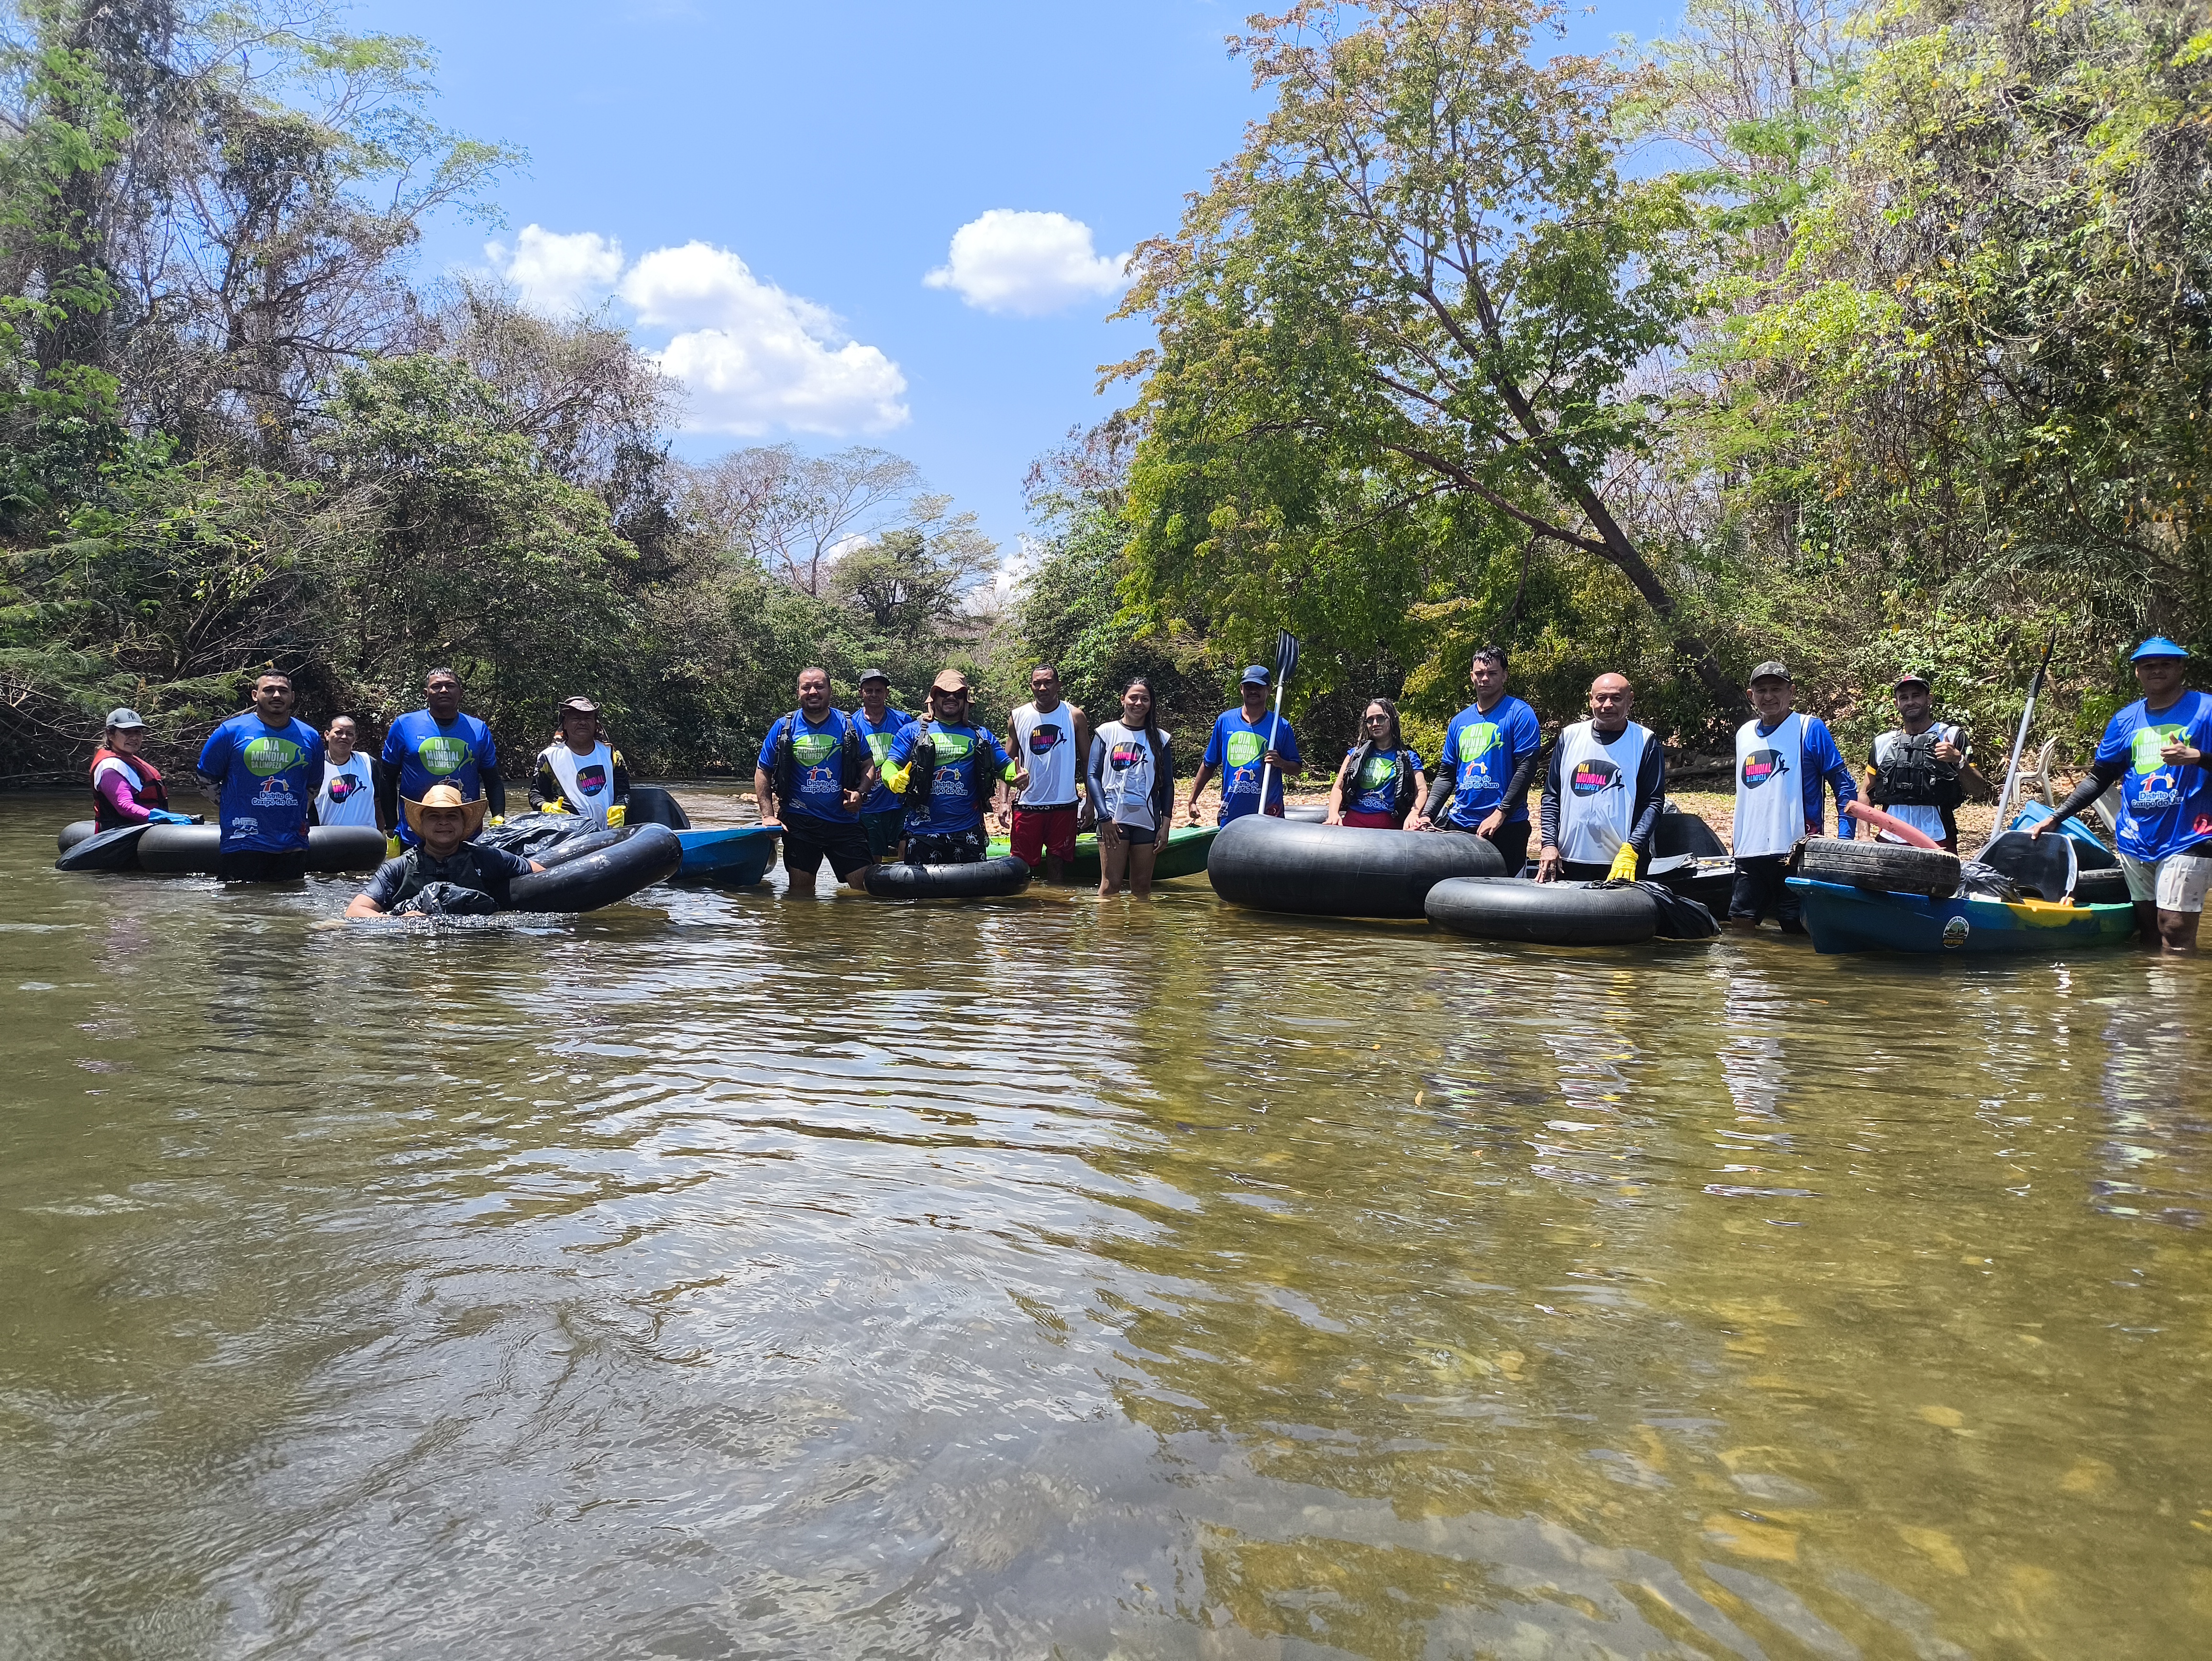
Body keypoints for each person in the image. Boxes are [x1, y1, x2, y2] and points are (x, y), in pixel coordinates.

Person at [2032, 636, 2212, 952]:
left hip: (2190, 835)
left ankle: (2179, 1000)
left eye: (2166, 664)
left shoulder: (2206, 710)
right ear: (2138, 673)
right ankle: (2150, 1000)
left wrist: (2197, 757)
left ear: (2181, 667)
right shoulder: (2125, 720)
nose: (2157, 671)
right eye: (2149, 666)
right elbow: (2100, 778)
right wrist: (2055, 816)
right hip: (2135, 837)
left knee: (2175, 930)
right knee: (2149, 933)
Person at [1728, 660, 1858, 933]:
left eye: (1777, 689)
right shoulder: (1744, 734)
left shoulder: (1809, 728)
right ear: (1751, 696)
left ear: (1792, 692)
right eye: (1761, 690)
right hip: (1749, 850)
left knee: (1794, 928)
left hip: (1796, 850)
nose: (1769, 697)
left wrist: (1844, 840)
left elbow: (1844, 785)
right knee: (1740, 926)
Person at [1414, 646, 1543, 872]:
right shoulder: (1459, 721)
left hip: (1506, 826)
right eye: (1480, 673)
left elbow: (1526, 769)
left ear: (1504, 676)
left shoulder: (1520, 713)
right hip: (1461, 825)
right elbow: (1446, 775)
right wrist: (1427, 814)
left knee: (1505, 899)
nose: (1485, 679)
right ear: (1472, 676)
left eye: (1493, 673)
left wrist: (1501, 813)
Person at [196, 668, 325, 881]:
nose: (277, 696)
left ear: (292, 697)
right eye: (269, 690)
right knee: (241, 909)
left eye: (283, 691)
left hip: (293, 844)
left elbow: (312, 787)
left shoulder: (310, 736)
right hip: (243, 842)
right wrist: (233, 803)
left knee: (289, 911)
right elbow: (204, 780)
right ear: (255, 695)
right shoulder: (230, 731)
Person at [754, 666, 873, 896]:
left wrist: (861, 793)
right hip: (800, 822)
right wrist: (768, 816)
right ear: (798, 692)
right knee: (800, 894)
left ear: (829, 690)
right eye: (806, 687)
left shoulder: (848, 725)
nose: (813, 692)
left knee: (864, 890)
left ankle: (853, 933)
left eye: (819, 686)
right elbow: (763, 771)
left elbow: (869, 765)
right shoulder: (783, 728)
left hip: (845, 822)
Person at [883, 670, 1024, 864]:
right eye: (944, 693)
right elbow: (890, 764)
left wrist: (1016, 776)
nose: (951, 698)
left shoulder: (980, 735)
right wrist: (892, 778)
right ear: (934, 698)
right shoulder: (912, 731)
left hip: (968, 831)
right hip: (923, 831)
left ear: (965, 700)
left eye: (958, 694)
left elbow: (1006, 767)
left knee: (972, 894)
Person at [1536, 673, 1665, 883]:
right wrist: (1549, 844)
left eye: (1616, 698)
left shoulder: (1644, 741)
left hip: (1622, 864)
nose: (1607, 705)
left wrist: (1633, 848)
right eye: (1601, 698)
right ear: (1591, 700)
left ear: (1630, 700)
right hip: (1568, 860)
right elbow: (1552, 795)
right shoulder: (1569, 737)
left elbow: (1653, 803)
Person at [346, 783, 545, 918]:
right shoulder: (397, 868)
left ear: (463, 823)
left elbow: (543, 876)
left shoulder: (487, 858)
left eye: (452, 816)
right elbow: (355, 910)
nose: (443, 823)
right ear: (422, 824)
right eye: (434, 816)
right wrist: (399, 922)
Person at [1863, 672, 1989, 852]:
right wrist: (1864, 835)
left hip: (1938, 837)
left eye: (1916, 695)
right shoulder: (1884, 742)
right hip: (1889, 837)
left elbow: (1978, 790)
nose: (1910, 701)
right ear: (1896, 704)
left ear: (1929, 699)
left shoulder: (1951, 736)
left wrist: (1958, 760)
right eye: (1904, 697)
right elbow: (1865, 792)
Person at [380, 667, 503, 851]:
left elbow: (492, 779)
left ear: (460, 693)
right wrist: (391, 826)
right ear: (426, 694)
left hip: (466, 832)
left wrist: (498, 818)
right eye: (437, 686)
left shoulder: (478, 729)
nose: (444, 691)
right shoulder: (405, 725)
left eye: (450, 686)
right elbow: (387, 778)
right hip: (414, 832)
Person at [1001, 663, 1092, 881]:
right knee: (1021, 866)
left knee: (1057, 864)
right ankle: (1025, 914)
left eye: (1048, 683)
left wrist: (1091, 801)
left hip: (1064, 804)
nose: (1043, 688)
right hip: (1028, 804)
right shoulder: (1018, 717)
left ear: (1058, 685)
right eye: (1037, 683)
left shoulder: (1074, 716)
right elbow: (1006, 763)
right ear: (1031, 687)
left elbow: (1089, 761)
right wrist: (1003, 801)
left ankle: (1058, 912)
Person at [1088, 676, 1175, 897]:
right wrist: (1104, 817)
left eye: (1145, 699)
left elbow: (1167, 785)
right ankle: (1108, 933)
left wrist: (1165, 827)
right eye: (1133, 698)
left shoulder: (1161, 738)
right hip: (1113, 820)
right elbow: (1092, 776)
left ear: (1151, 703)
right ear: (1123, 700)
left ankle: (1140, 932)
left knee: (1143, 889)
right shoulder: (1106, 732)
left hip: (1147, 821)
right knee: (1111, 886)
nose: (1139, 703)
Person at [1186, 665, 1303, 824]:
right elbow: (1209, 764)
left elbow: (1296, 769)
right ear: (1242, 689)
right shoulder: (1225, 721)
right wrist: (1193, 799)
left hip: (1269, 812)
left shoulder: (1280, 726)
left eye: (1259, 687)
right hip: (1233, 810)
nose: (1253, 691)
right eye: (1249, 687)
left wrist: (1281, 763)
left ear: (1268, 690)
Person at [1325, 699, 1429, 828]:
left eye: (1381, 718)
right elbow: (1338, 788)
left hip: (1391, 827)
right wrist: (1333, 814)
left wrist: (1414, 814)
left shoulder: (1409, 757)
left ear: (1392, 719)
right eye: (1370, 720)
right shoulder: (1354, 754)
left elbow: (1422, 790)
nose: (1375, 724)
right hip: (1352, 825)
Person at [531, 696, 630, 829]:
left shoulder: (611, 755)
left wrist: (620, 807)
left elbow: (624, 792)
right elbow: (536, 794)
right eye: (576, 718)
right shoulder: (549, 758)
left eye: (588, 718)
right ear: (565, 724)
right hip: (566, 836)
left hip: (607, 834)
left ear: (596, 724)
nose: (582, 723)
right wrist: (546, 807)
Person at [849, 668, 914, 867]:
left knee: (908, 854)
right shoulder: (851, 725)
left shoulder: (904, 721)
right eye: (869, 690)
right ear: (861, 693)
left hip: (901, 803)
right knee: (872, 862)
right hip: (869, 806)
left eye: (879, 690)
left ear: (887, 693)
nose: (874, 695)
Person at [89, 708, 191, 830]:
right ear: (110, 734)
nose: (134, 737)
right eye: (126, 732)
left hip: (143, 831)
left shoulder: (128, 762)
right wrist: (161, 818)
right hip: (119, 838)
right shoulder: (110, 767)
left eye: (138, 732)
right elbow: (125, 806)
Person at [315, 715, 380, 829]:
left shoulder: (368, 763)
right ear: (327, 735)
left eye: (350, 734)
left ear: (355, 739)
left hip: (366, 841)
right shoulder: (316, 766)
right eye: (339, 732)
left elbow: (380, 802)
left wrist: (378, 835)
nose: (344, 737)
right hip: (327, 841)